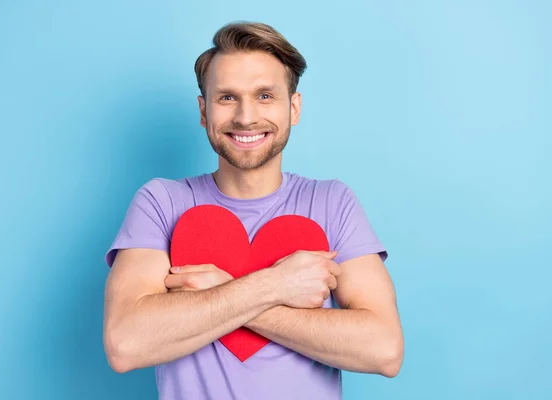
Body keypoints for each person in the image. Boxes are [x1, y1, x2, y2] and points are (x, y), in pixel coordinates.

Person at [102, 21, 403, 399]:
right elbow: (125, 344)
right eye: (227, 97)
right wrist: (274, 285)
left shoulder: (332, 203)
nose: (246, 117)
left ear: (293, 107)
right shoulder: (161, 203)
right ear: (203, 110)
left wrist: (224, 293)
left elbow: (385, 350)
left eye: (264, 96)